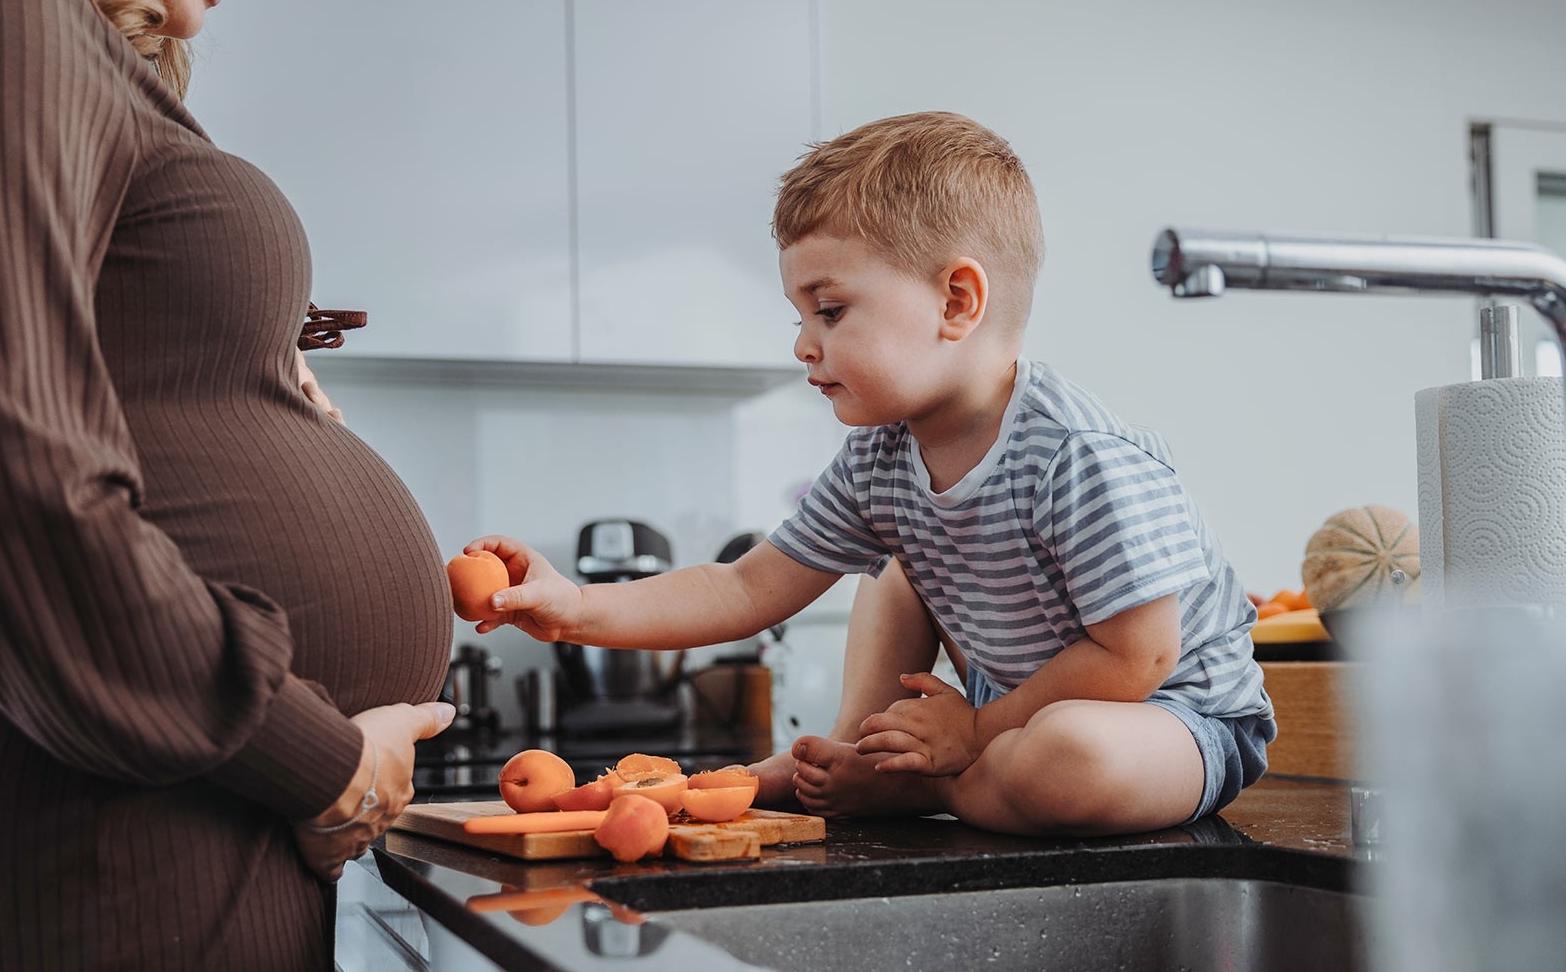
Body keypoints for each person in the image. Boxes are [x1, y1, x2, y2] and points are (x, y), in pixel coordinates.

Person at [464, 112, 1275, 838]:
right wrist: (575, 608)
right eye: (799, 317)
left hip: (1174, 718)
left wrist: (972, 732)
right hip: (1016, 715)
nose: (802, 344)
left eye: (832, 310)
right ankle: (878, 761)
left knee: (1068, 756)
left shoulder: (1077, 453)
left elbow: (1139, 659)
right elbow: (747, 587)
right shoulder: (881, 457)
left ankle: (919, 788)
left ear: (958, 301)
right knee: (894, 565)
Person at [0, 0, 452, 967]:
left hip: (170, 824)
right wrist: (322, 761)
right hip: (98, 836)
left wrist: (250, 360)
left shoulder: (45, 36)